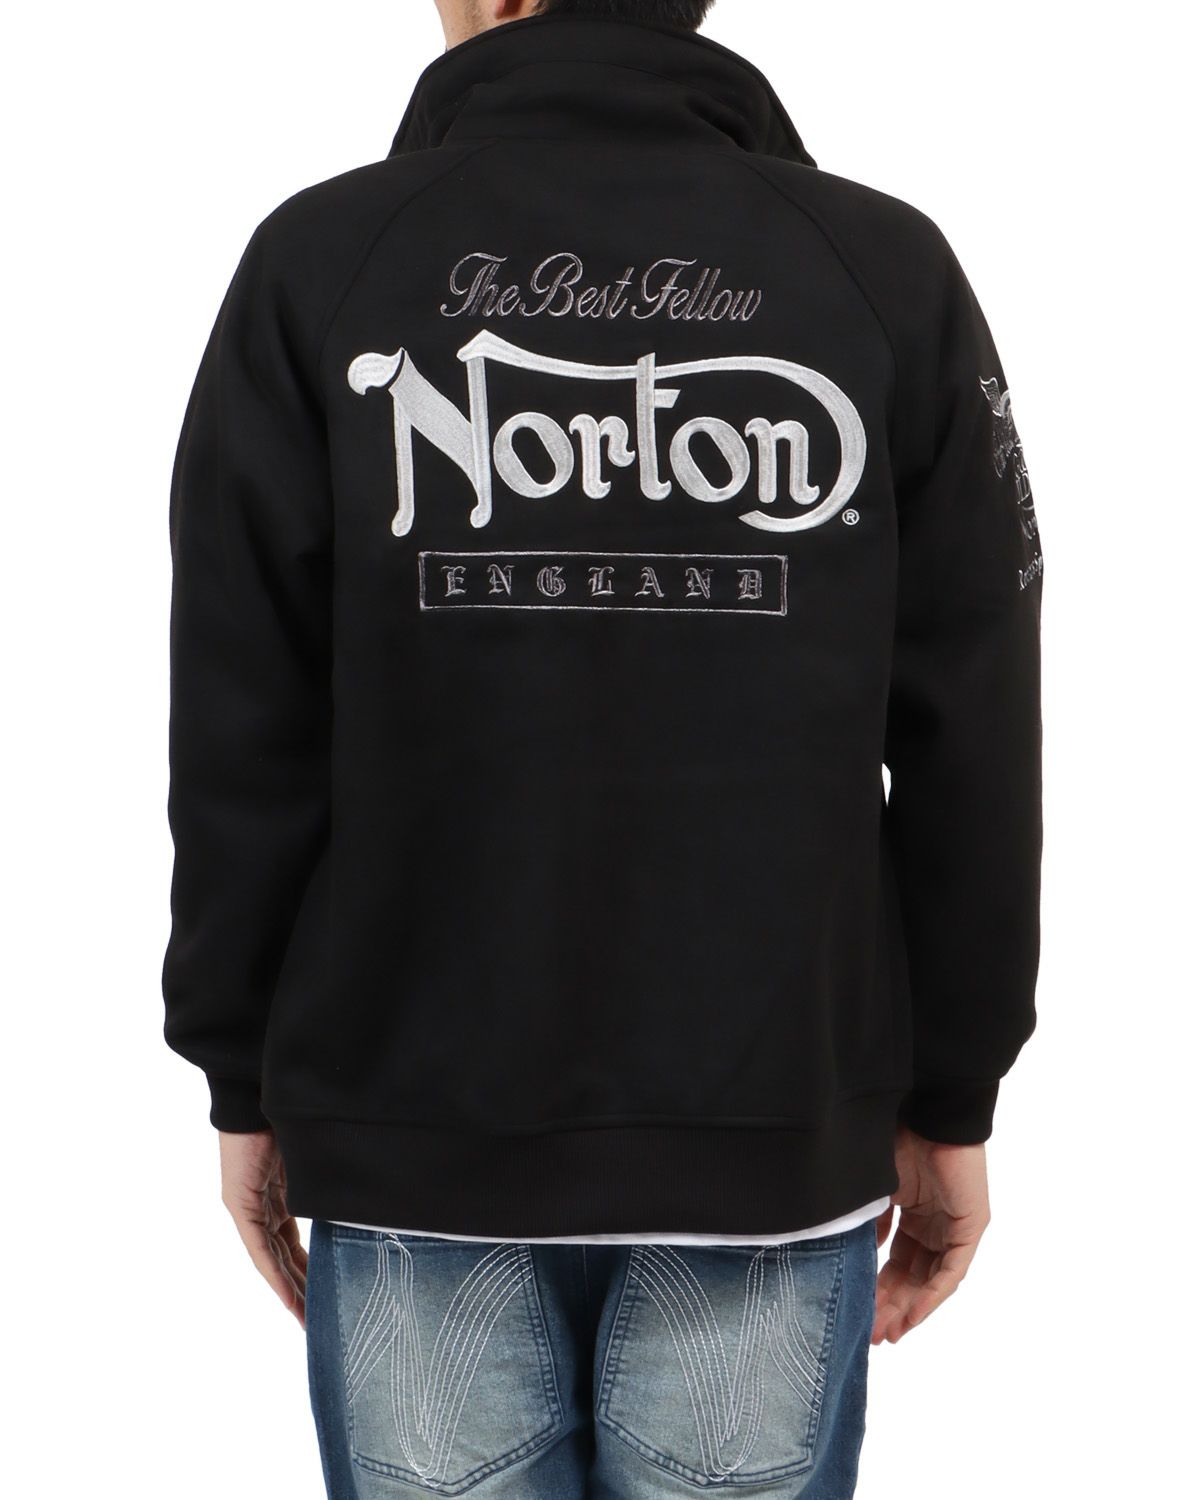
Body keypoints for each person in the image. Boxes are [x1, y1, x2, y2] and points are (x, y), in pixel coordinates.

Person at [162, 0, 1043, 1494]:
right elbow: (975, 731)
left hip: (414, 1136)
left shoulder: (321, 262)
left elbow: (245, 723)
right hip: (774, 1136)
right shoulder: (883, 270)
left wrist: (242, 1076)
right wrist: (952, 1096)